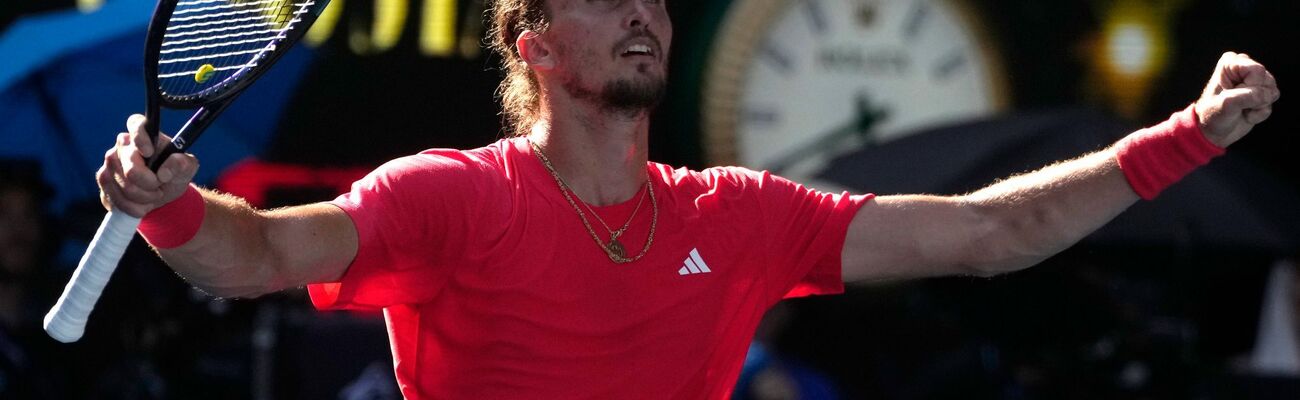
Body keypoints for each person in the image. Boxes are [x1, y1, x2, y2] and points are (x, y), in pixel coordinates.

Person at [95, 0, 1280, 398]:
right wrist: (169, 209)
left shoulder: (740, 215)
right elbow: (251, 254)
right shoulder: (447, 199)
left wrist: (1182, 138)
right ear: (535, 44)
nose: (647, 12)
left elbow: (991, 233)